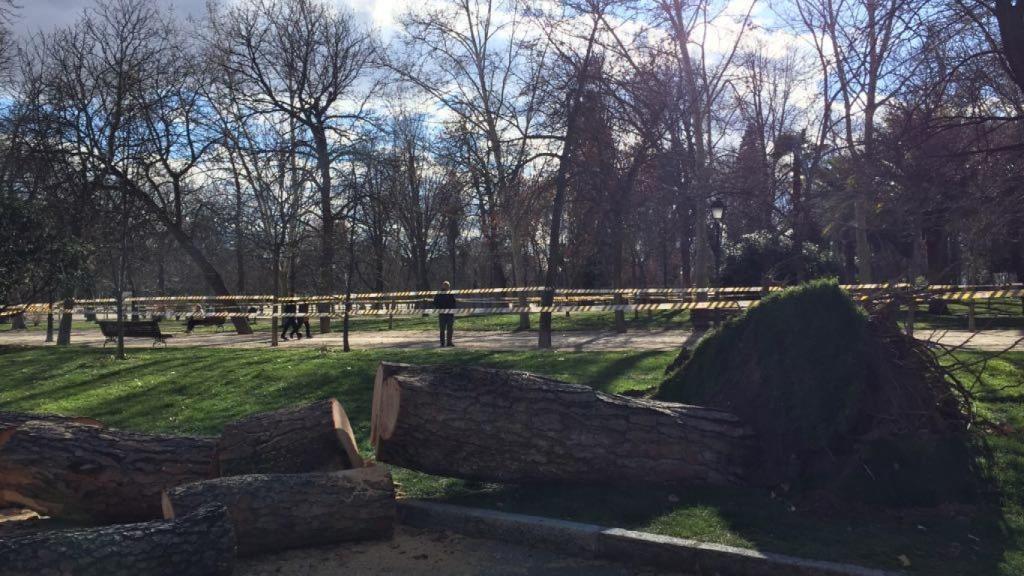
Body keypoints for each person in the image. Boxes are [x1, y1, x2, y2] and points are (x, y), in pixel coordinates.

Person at [432, 281, 457, 347]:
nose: (447, 287)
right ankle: (442, 343)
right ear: (443, 286)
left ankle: (449, 342)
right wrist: (439, 309)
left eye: (448, 285)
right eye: (445, 285)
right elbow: (435, 302)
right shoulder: (439, 294)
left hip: (450, 313)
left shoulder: (451, 293)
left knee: (450, 328)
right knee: (442, 329)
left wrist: (452, 310)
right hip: (442, 313)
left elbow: (454, 302)